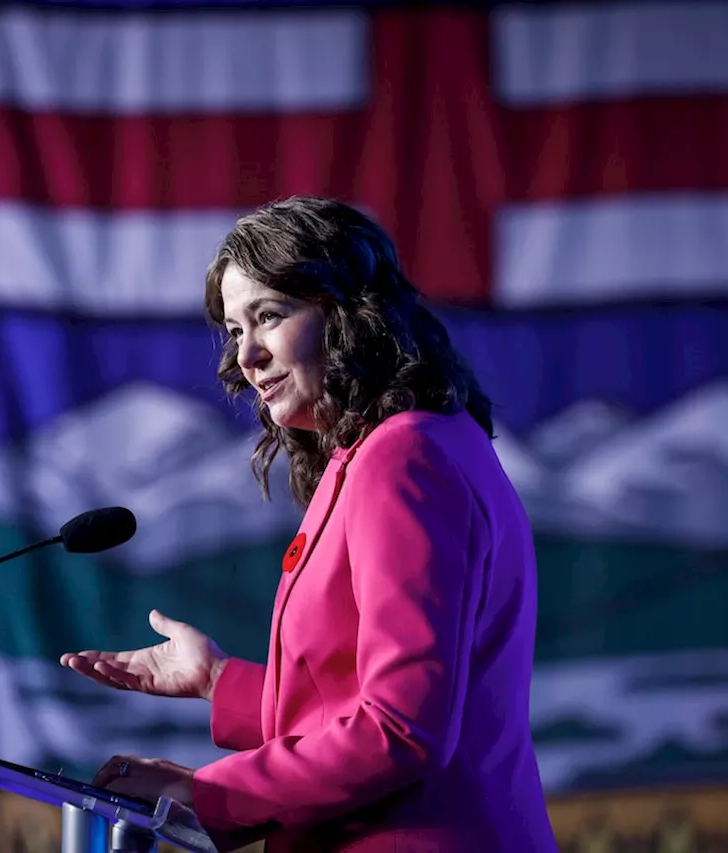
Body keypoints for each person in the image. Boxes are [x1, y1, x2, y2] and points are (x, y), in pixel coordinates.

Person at [61, 196, 558, 852]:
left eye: (268, 316)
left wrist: (206, 793)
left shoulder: (401, 456)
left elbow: (403, 729)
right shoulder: (410, 444)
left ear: (350, 315)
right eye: (236, 329)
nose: (247, 356)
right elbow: (365, 699)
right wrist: (216, 680)